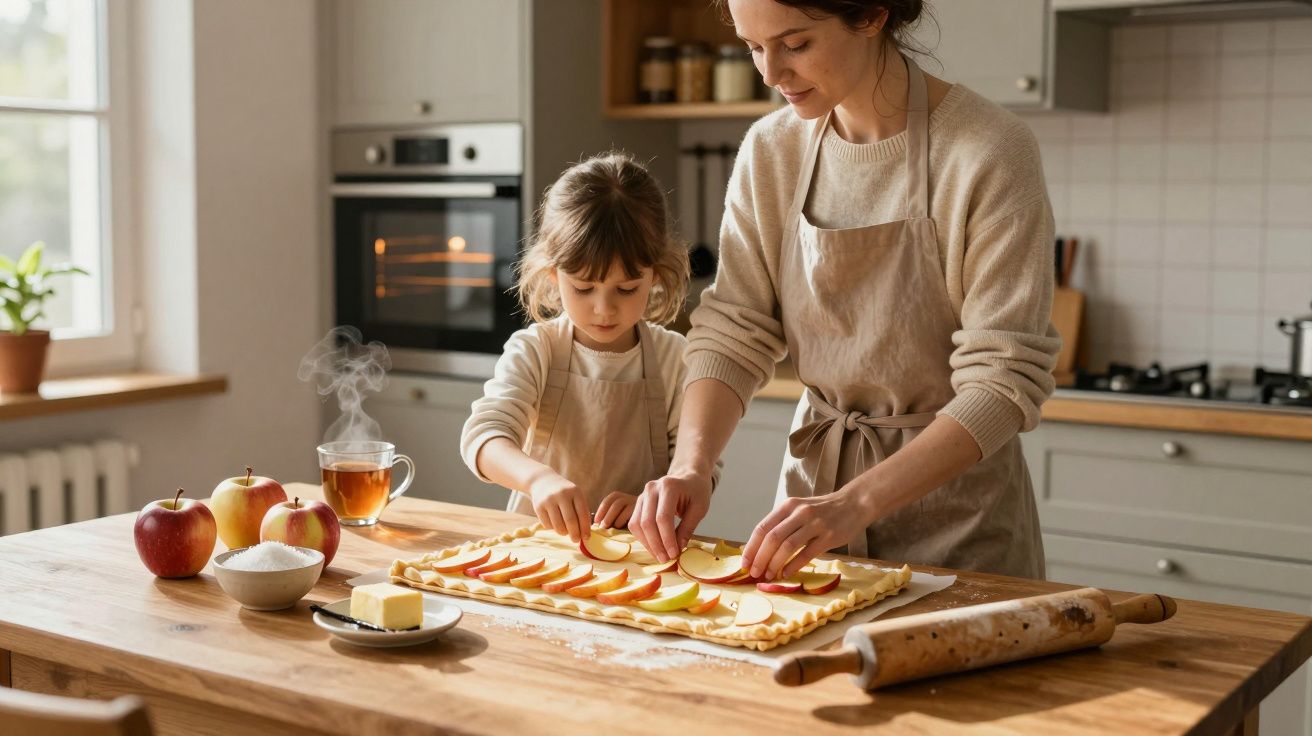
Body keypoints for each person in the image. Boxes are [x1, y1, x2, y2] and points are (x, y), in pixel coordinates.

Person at [629, 0, 1060, 581]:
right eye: (753, 47)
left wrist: (856, 502)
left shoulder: (988, 150)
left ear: (872, 15)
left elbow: (1003, 381)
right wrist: (692, 466)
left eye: (795, 44)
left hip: (962, 530)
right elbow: (735, 328)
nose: (769, 74)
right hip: (810, 523)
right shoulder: (770, 150)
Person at [461, 152, 707, 543]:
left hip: (641, 555)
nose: (604, 309)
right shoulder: (536, 351)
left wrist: (650, 500)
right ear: (553, 275)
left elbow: (697, 470)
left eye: (626, 289)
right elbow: (484, 438)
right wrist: (537, 479)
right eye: (583, 288)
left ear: (655, 275)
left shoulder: (675, 359)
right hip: (538, 549)